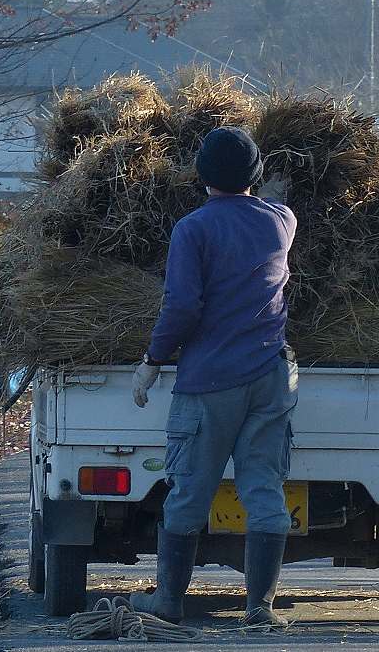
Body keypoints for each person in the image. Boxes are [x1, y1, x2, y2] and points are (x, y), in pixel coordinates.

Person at [127, 125, 298, 627]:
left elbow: (182, 304)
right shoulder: (281, 221)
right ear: (257, 175)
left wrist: (152, 360)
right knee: (264, 486)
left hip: (210, 381)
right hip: (271, 376)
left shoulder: (193, 229)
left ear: (202, 176)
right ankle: (260, 609)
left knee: (188, 491)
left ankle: (169, 602)